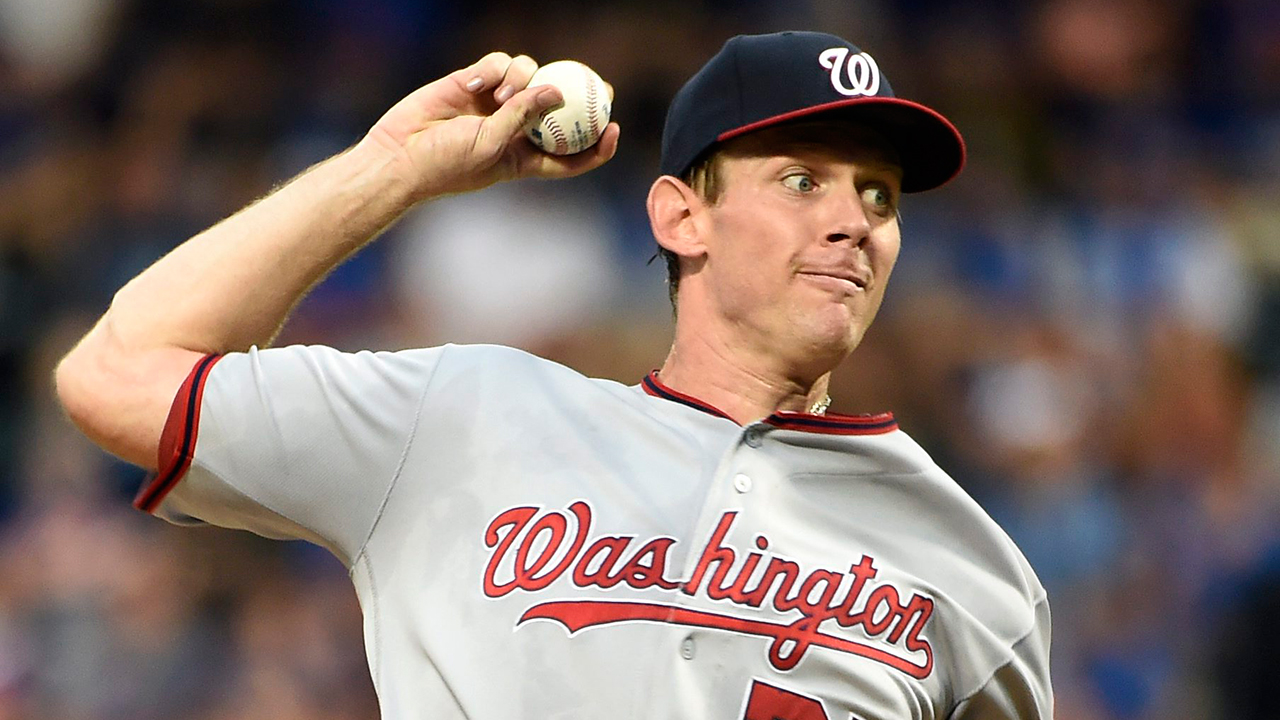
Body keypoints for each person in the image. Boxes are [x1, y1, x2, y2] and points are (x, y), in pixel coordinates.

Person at [55, 30, 1052, 720]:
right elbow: (118, 372)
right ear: (681, 217)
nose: (852, 222)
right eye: (801, 180)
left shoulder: (976, 574)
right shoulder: (460, 418)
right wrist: (391, 172)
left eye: (878, 196)